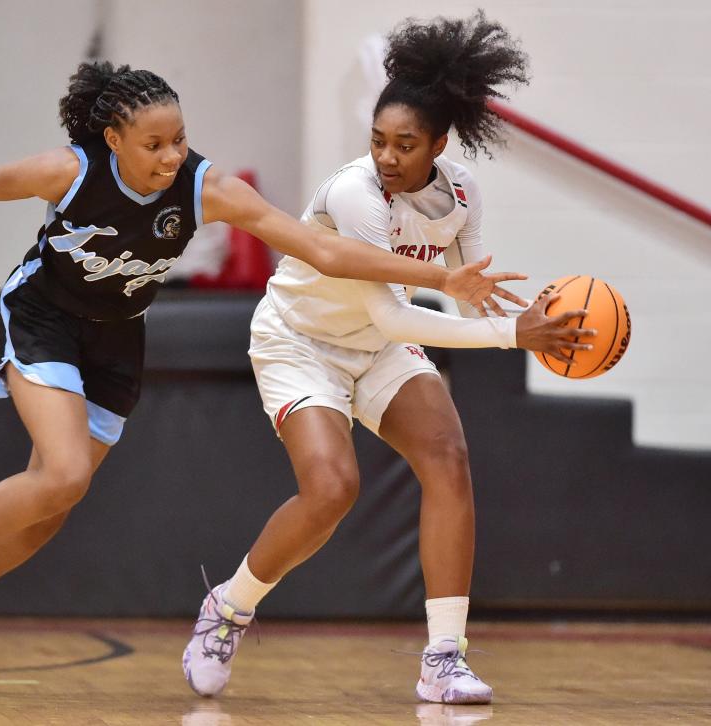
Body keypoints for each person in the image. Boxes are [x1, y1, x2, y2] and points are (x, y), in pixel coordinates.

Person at [0, 60, 527, 692]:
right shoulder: (69, 172)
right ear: (113, 139)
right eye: (154, 144)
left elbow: (322, 249)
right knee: (64, 473)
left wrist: (442, 278)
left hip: (115, 340)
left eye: (178, 140)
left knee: (46, 515)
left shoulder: (204, 187)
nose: (172, 156)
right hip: (44, 320)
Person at [181, 11, 595, 705]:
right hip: (301, 342)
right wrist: (508, 337)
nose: (388, 157)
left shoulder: (460, 194)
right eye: (378, 141)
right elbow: (394, 311)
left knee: (448, 458)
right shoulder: (356, 194)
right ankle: (228, 608)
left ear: (439, 142)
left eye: (406, 144)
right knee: (332, 489)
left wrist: (524, 321)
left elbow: (464, 304)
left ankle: (443, 658)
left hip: (378, 348)